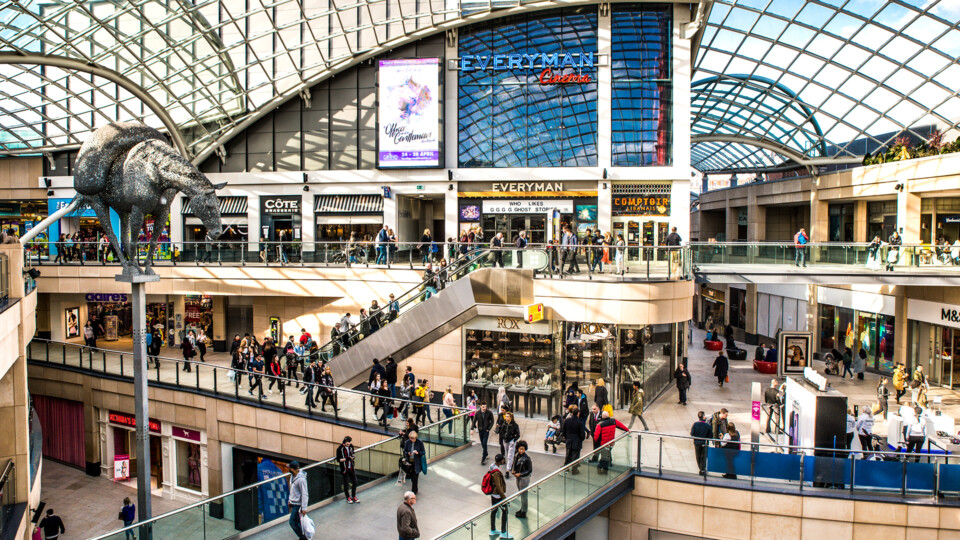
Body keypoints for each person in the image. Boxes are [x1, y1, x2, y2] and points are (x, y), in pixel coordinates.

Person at [488, 454, 510, 537]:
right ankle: (503, 532)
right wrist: (504, 498)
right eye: (503, 460)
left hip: (493, 494)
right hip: (498, 495)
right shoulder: (496, 472)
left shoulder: (491, 467)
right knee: (505, 511)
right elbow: (498, 486)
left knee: (494, 510)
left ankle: (493, 529)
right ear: (501, 461)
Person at [561, 405, 586, 474]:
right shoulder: (579, 423)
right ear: (578, 413)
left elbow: (564, 431)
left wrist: (566, 438)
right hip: (576, 441)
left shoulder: (567, 420)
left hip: (569, 440)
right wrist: (581, 439)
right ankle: (574, 470)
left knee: (568, 455)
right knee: (575, 456)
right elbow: (582, 434)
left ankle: (566, 467)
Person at [287, 461, 308, 540]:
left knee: (292, 522)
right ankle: (303, 536)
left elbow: (304, 493)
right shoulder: (292, 476)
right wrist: (290, 500)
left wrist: (304, 507)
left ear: (293, 469)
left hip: (298, 504)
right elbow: (292, 490)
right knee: (298, 522)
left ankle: (303, 538)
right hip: (293, 503)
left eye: (290, 468)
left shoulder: (301, 480)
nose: (289, 469)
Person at [512, 441, 532, 519]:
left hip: (524, 478)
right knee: (521, 493)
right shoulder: (516, 456)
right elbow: (514, 464)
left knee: (524, 495)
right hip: (518, 477)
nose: (521, 451)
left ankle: (524, 511)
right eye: (520, 449)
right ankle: (522, 509)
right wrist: (514, 471)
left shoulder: (527, 458)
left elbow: (529, 470)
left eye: (523, 449)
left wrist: (520, 474)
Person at [402, 430, 426, 494]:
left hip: (417, 463)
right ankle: (415, 489)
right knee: (412, 477)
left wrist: (418, 453)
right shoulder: (407, 442)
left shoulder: (420, 443)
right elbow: (405, 451)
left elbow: (423, 452)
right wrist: (408, 453)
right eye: (411, 438)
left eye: (413, 438)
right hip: (410, 462)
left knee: (415, 477)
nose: (412, 440)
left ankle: (414, 490)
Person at [337, 436, 359, 503]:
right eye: (348, 442)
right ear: (345, 442)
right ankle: (348, 497)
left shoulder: (351, 446)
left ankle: (353, 496)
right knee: (346, 484)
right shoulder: (340, 449)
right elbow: (339, 459)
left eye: (349, 442)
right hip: (345, 468)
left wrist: (352, 457)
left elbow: (353, 454)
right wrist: (347, 459)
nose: (349, 443)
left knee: (355, 482)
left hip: (351, 467)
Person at [476, 400, 495, 465]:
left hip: (486, 430)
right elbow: (474, 420)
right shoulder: (478, 413)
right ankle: (486, 453)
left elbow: (492, 421)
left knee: (484, 443)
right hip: (480, 430)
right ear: (480, 406)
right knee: (482, 443)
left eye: (485, 407)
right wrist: (472, 428)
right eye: (483, 407)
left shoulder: (489, 412)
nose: (484, 408)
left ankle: (483, 458)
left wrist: (489, 428)